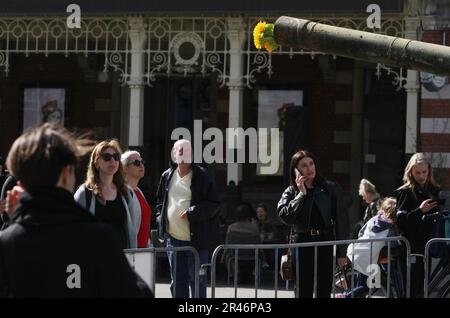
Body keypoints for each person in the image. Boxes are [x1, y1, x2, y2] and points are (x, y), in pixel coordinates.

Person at [0, 124, 151, 297]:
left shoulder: (7, 243)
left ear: (21, 182)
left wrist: (15, 221)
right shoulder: (98, 238)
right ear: (66, 174)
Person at [277, 149, 349, 298]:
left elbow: (341, 221)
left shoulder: (330, 188)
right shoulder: (291, 191)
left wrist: (342, 252)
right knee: (303, 288)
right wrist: (301, 194)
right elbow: (285, 216)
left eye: (311, 163)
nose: (309, 168)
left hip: (325, 242)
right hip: (303, 243)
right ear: (296, 170)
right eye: (304, 165)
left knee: (324, 288)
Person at [156, 139, 220, 298]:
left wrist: (192, 212)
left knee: (197, 282)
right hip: (174, 240)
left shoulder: (202, 175)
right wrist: (161, 220)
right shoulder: (167, 176)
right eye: (181, 151)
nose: (185, 155)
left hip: (196, 242)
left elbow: (214, 204)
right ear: (173, 154)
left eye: (189, 152)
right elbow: (159, 203)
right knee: (178, 283)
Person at [74, 140, 141, 249]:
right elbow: (74, 229)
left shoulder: (127, 193)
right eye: (106, 157)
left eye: (116, 157)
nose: (112, 161)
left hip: (121, 257)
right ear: (96, 163)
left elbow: (133, 226)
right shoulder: (84, 193)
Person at [395, 152, 442, 297]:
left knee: (423, 288)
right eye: (417, 172)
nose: (421, 176)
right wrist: (420, 211)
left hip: (428, 246)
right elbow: (401, 221)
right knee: (411, 289)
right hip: (410, 248)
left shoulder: (433, 190)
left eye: (424, 172)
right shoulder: (405, 192)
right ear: (410, 172)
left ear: (429, 171)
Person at [342, 197, 399, 298]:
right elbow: (393, 246)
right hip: (366, 259)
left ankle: (350, 294)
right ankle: (346, 297)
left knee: (360, 284)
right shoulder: (391, 229)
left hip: (354, 250)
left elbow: (361, 232)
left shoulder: (374, 219)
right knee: (366, 287)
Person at [122, 150, 151, 248]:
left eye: (142, 162)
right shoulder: (122, 192)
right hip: (130, 252)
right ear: (125, 168)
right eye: (136, 163)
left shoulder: (138, 191)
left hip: (143, 253)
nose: (141, 165)